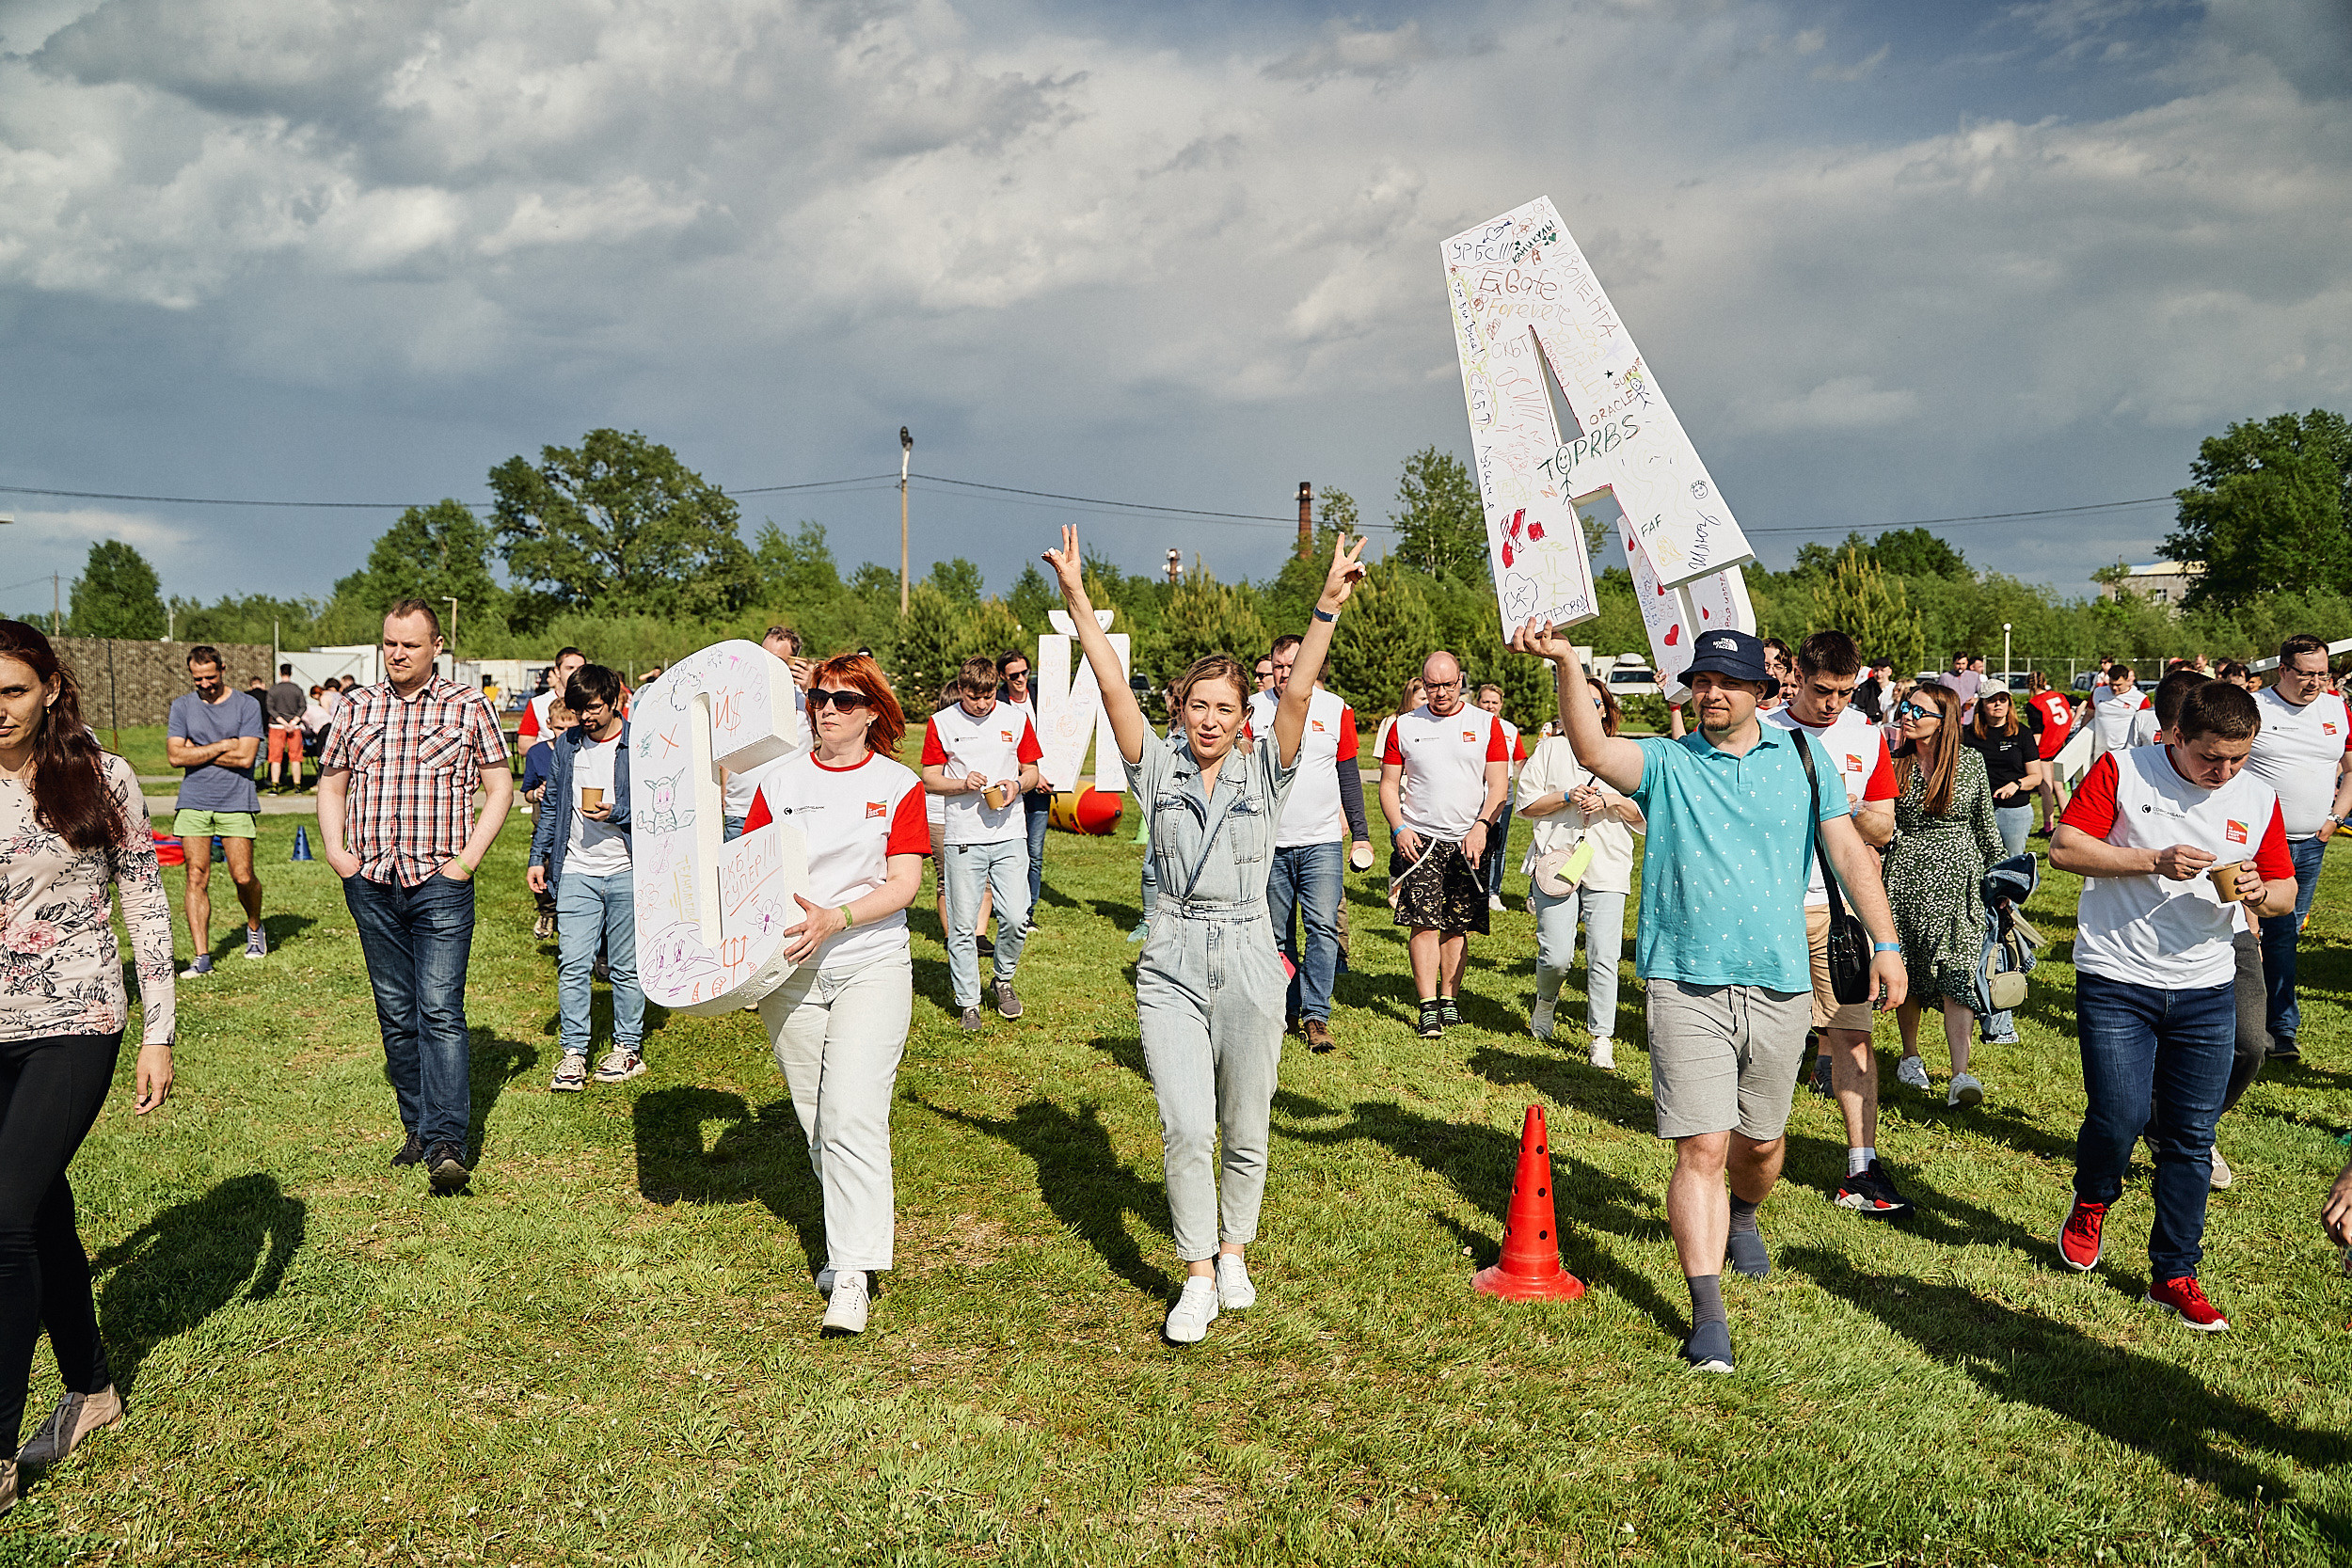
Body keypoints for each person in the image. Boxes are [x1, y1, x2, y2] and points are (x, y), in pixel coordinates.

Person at [1514, 622, 1904, 1374]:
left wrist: (1885, 943)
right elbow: (1594, 751)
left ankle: (1747, 1213)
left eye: (1727, 682)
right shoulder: (1667, 762)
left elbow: (1850, 850)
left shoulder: (1802, 755)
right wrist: (1566, 659)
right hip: (1683, 978)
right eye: (1701, 681)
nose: (1712, 693)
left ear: (1761, 691)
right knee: (1703, 1146)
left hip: (1780, 979)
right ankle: (1708, 1313)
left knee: (1759, 1145)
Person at [1044, 524, 1364, 1344]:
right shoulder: (1159, 768)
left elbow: (1297, 696)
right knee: (1187, 1123)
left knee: (1246, 1123)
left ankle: (1233, 1251)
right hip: (1174, 958)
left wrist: (1325, 604)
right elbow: (1114, 692)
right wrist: (1078, 597)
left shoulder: (1271, 764)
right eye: (1199, 706)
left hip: (1254, 954)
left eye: (1226, 707)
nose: (1213, 719)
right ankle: (1194, 1272)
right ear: (1181, 710)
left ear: (1241, 714)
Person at [2050, 680, 2297, 1331]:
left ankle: (2175, 1273)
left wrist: (2259, 889)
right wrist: (2151, 858)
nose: (2223, 772)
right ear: (2176, 736)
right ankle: (2093, 1197)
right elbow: (2066, 847)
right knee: (2119, 1117)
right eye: (2209, 757)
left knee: (2191, 1138)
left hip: (2206, 982)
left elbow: (2285, 894)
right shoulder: (2124, 770)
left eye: (2238, 758)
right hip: (2116, 973)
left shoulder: (2257, 795)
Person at [0, 622, 175, 1517]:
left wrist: (159, 1029)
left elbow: (145, 898)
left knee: (1, 1223)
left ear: (52, 689)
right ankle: (93, 1387)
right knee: (37, 1210)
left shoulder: (101, 777)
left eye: (13, 692)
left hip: (77, 1018)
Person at [735, 654, 930, 1335]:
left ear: (873, 712)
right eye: (819, 696)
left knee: (852, 1111)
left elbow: (903, 884)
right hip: (791, 971)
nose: (827, 709)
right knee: (819, 1116)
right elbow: (752, 869)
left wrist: (836, 918)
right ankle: (850, 1236)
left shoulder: (898, 784)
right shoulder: (778, 781)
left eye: (845, 700)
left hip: (869, 960)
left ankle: (851, 1271)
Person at [317, 601, 513, 1194]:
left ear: (436, 645)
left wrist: (468, 860)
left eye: (409, 645)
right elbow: (331, 780)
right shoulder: (357, 706)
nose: (397, 654)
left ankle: (448, 1141)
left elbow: (499, 784)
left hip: (440, 883)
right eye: (389, 644)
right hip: (372, 882)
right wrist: (337, 851)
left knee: (439, 1009)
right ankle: (419, 1129)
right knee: (397, 1012)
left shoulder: (468, 706)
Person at [1761, 632, 1903, 1215]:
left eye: (1845, 693)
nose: (1833, 705)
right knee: (1763, 1033)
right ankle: (1745, 1144)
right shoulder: (1763, 730)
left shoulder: (1867, 737)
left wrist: (1842, 812)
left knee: (1852, 1032)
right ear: (1797, 674)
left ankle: (1861, 1166)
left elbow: (1886, 825)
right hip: (1768, 905)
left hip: (1836, 910)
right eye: (1822, 691)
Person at [1883, 684, 2003, 1107]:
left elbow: (1985, 828)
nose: (1908, 715)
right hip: (1903, 879)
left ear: (1944, 720)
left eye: (1919, 710)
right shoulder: (1893, 760)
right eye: (1905, 707)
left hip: (1960, 882)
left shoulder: (1969, 763)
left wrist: (2002, 880)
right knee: (1910, 972)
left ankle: (1960, 1073)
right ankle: (1910, 1056)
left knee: (1958, 973)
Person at [528, 667, 645, 1091]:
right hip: (576, 868)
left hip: (627, 869)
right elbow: (555, 807)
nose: (586, 718)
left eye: (593, 708)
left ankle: (627, 1048)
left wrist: (618, 813)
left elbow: (661, 808)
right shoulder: (567, 745)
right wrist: (538, 856)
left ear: (615, 700)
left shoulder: (640, 745)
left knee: (625, 968)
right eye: (579, 710)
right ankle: (574, 1052)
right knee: (572, 964)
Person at [1381, 653, 1510, 1038]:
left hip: (1469, 839)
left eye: (1448, 685)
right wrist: (1399, 827)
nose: (1440, 693)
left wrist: (1482, 826)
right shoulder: (1403, 726)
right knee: (1422, 924)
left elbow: (1499, 787)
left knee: (1457, 926)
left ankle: (1449, 998)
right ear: (1422, 682)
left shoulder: (1487, 725)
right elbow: (1388, 786)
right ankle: (1426, 1006)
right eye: (1433, 685)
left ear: (1461, 682)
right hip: (1419, 839)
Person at [1515, 676, 1642, 1066]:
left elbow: (1646, 816)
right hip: (1557, 862)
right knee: (1556, 955)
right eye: (1579, 702)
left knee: (1604, 956)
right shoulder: (1549, 750)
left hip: (1607, 863)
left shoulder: (1626, 752)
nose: (1587, 709)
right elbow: (1526, 805)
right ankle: (1546, 1002)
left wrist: (1612, 800)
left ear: (1606, 710)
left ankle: (1601, 1036)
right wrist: (1566, 796)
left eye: (1595, 703)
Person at [1244, 635, 1359, 1053]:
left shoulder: (1336, 708)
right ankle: (1284, 1008)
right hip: (1270, 842)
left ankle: (1316, 1015)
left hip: (1322, 840)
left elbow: (1348, 775)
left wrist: (1360, 832)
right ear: (1270, 667)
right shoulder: (1253, 712)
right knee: (1276, 934)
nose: (1285, 672)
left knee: (1323, 928)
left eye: (1294, 664)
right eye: (1278, 665)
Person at [2242, 634, 2352, 1065]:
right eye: (2306, 675)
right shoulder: (2255, 708)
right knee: (2249, 931)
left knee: (2286, 932)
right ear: (2282, 671)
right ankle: (2249, 1023)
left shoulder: (2335, 708)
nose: (2315, 684)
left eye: (2322, 675)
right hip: (2258, 844)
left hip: (2311, 842)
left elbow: (2348, 766)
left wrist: (2335, 818)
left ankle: (2280, 1028)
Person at [921, 656, 1041, 1031]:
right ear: (961, 690)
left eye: (989, 695)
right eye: (975, 697)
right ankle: (969, 1002)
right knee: (961, 925)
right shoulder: (942, 723)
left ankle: (1002, 979)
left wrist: (1017, 785)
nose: (983, 703)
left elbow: (1033, 770)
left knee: (1017, 916)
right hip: (963, 837)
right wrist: (962, 784)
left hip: (1009, 834)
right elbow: (928, 778)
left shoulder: (1015, 719)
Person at [165, 645, 266, 974]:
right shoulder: (181, 707)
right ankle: (202, 957)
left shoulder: (247, 705)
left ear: (223, 669)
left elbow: (246, 758)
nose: (205, 684)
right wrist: (224, 744)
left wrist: (198, 750)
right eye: (198, 679)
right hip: (194, 800)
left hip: (237, 800)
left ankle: (254, 927)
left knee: (242, 875)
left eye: (210, 677)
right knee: (196, 875)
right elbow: (175, 757)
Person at [722, 627, 810, 840]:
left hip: (788, 813)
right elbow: (725, 747)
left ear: (793, 663)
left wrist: (811, 688)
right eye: (762, 655)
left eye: (777, 659)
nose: (767, 664)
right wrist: (724, 792)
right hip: (740, 813)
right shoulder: (738, 697)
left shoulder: (809, 701)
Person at [996, 648, 1054, 917]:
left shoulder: (1044, 695)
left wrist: (1051, 775)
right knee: (1005, 847)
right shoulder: (996, 702)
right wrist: (1032, 774)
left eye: (1024, 672)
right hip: (1008, 785)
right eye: (1013, 675)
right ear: (1002, 677)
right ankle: (1001, 904)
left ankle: (1028, 911)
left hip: (1041, 789)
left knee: (1034, 851)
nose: (1020, 679)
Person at [1965, 683, 2042, 858]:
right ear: (1982, 705)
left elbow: (2036, 776)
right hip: (1977, 809)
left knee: (2011, 861)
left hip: (2013, 809)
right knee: (1978, 859)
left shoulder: (2022, 733)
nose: (1998, 704)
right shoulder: (1967, 735)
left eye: (2002, 699)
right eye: (1992, 700)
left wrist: (2016, 784)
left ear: (2009, 704)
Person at [1473, 683, 1532, 911]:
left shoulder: (1510, 730)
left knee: (1497, 844)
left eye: (1494, 702)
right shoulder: (1470, 725)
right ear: (1477, 702)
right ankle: (1470, 888)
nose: (1490, 706)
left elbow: (1520, 762)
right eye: (1485, 701)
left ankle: (1492, 892)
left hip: (1501, 797)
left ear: (1501, 705)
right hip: (1473, 792)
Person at [517, 699, 571, 942]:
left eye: (571, 727)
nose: (565, 733)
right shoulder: (538, 753)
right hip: (544, 822)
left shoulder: (580, 750)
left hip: (572, 823)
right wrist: (536, 793)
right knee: (543, 870)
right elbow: (526, 791)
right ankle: (547, 912)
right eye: (560, 728)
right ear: (549, 724)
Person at [2024, 672, 2074, 833]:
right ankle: (2069, 824)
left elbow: (2037, 735)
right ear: (2045, 682)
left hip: (2045, 750)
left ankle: (2048, 827)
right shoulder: (2059, 696)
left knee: (2046, 790)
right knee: (2059, 788)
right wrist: (2071, 723)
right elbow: (2081, 703)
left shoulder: (2034, 704)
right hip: (2059, 745)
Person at [516, 647, 587, 752]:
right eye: (570, 668)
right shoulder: (538, 703)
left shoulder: (595, 703)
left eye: (581, 669)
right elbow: (523, 747)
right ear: (557, 671)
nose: (576, 673)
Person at [263, 663, 307, 792]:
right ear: (291, 673)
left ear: (280, 672)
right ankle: (297, 785)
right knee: (296, 756)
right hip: (295, 727)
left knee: (275, 757)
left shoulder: (274, 689)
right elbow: (303, 707)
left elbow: (270, 708)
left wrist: (282, 722)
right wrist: (293, 722)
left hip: (277, 726)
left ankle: (275, 785)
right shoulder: (297, 689)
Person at [2090, 663, 2149, 756]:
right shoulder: (2098, 692)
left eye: (2118, 685)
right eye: (2111, 684)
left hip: (2126, 751)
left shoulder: (2140, 699)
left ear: (2127, 680)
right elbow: (2089, 715)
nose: (2114, 688)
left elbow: (2146, 726)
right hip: (2100, 750)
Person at [1940, 652, 1982, 726]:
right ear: (1953, 663)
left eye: (1963, 664)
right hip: (1951, 718)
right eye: (1958, 664)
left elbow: (1982, 693)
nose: (1961, 666)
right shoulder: (1945, 677)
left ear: (1967, 663)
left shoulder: (1974, 676)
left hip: (1970, 718)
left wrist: (1975, 700)